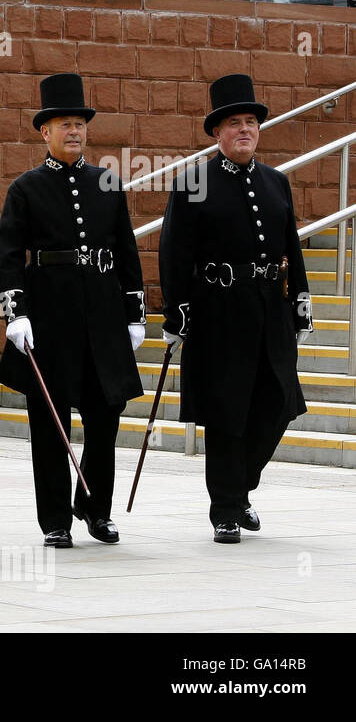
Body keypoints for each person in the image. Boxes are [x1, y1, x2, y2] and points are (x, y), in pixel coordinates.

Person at [158, 73, 312, 544]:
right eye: (234, 123)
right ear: (217, 133)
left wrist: (301, 299)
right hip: (219, 311)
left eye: (250, 122)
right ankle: (226, 508)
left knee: (279, 402)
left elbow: (292, 246)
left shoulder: (276, 182)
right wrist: (176, 312)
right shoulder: (194, 183)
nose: (244, 129)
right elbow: (173, 252)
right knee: (227, 411)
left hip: (269, 308)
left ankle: (240, 486)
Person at [0, 73, 146, 548]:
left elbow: (126, 251)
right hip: (50, 320)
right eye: (64, 124)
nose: (74, 131)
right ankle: (56, 519)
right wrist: (14, 312)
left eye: (79, 123)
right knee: (49, 422)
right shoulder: (26, 188)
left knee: (106, 417)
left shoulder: (107, 183)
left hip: (102, 318)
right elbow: (8, 255)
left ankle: (97, 510)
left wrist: (134, 312)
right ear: (45, 132)